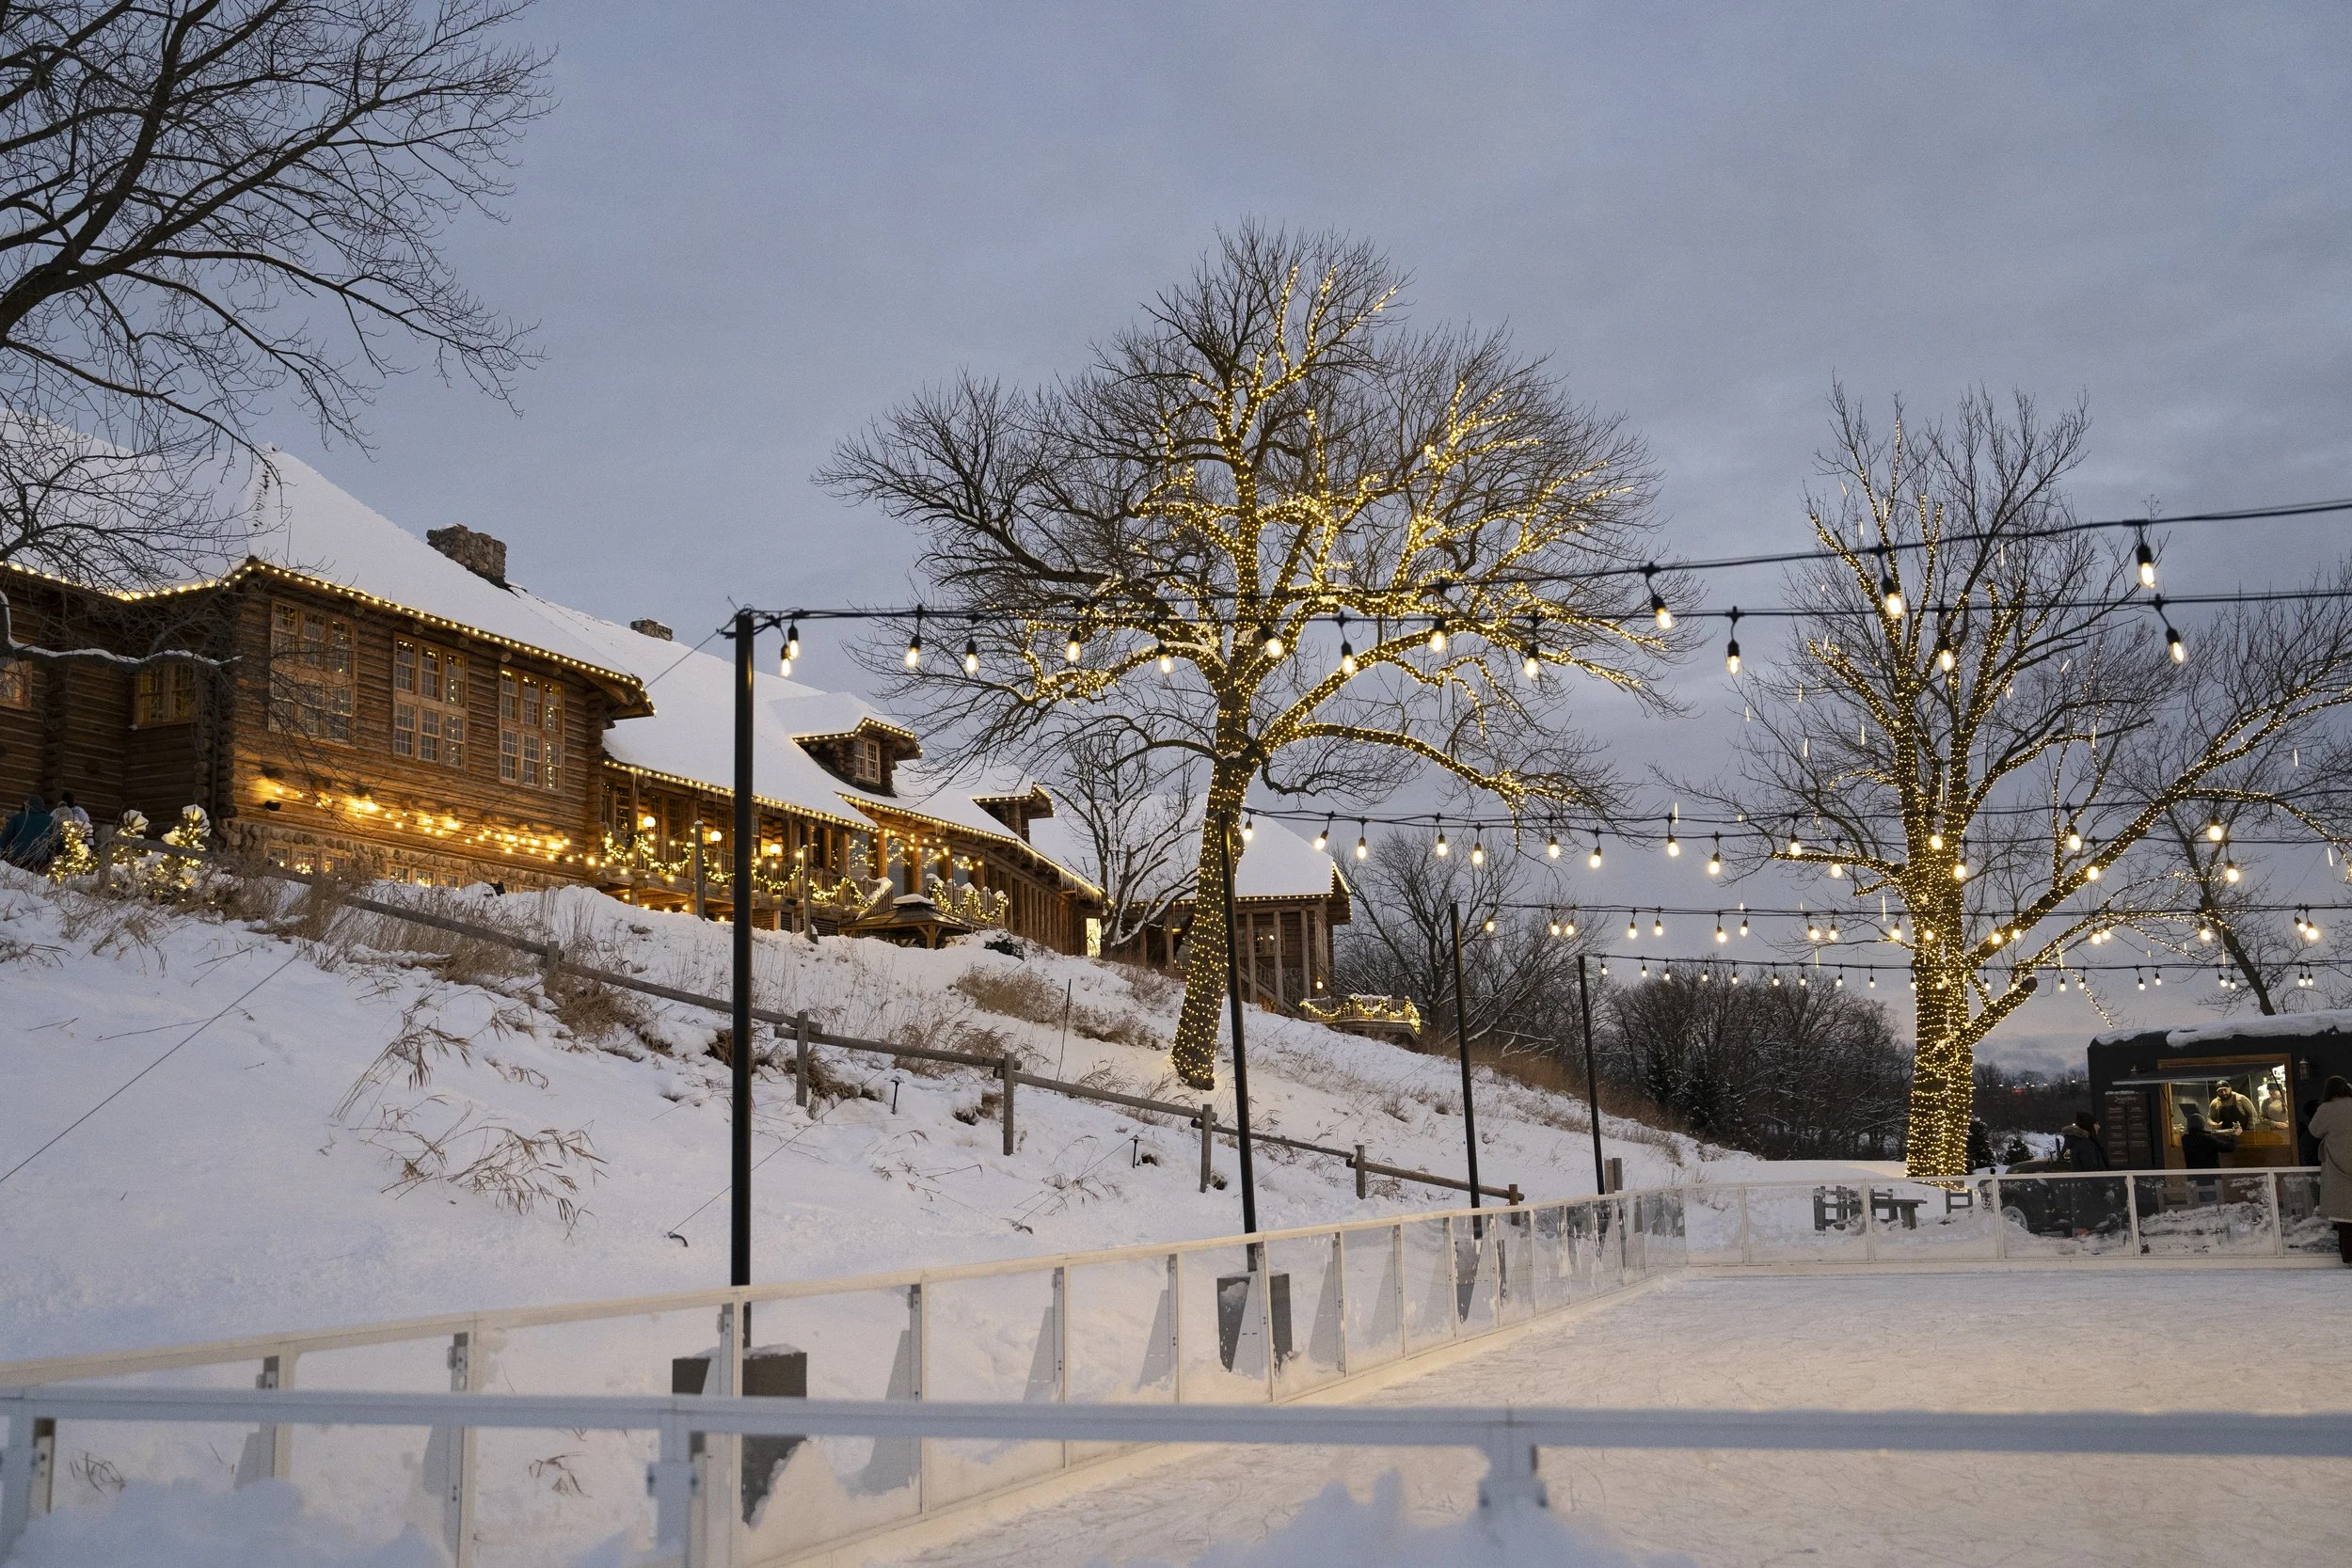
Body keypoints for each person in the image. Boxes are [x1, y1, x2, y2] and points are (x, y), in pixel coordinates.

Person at [2311, 1077, 2352, 1267]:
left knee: (2345, 1218)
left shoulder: (2326, 1109)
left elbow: (2314, 1130)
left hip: (2338, 1169)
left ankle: (2349, 1257)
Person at [0, 793, 56, 869]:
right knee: (37, 880)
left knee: (18, 879)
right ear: (42, 805)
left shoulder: (17, 818)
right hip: (40, 858)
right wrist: (50, 857)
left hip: (18, 856)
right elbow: (55, 841)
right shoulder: (50, 820)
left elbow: (5, 837)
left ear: (28, 804)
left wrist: (3, 854)